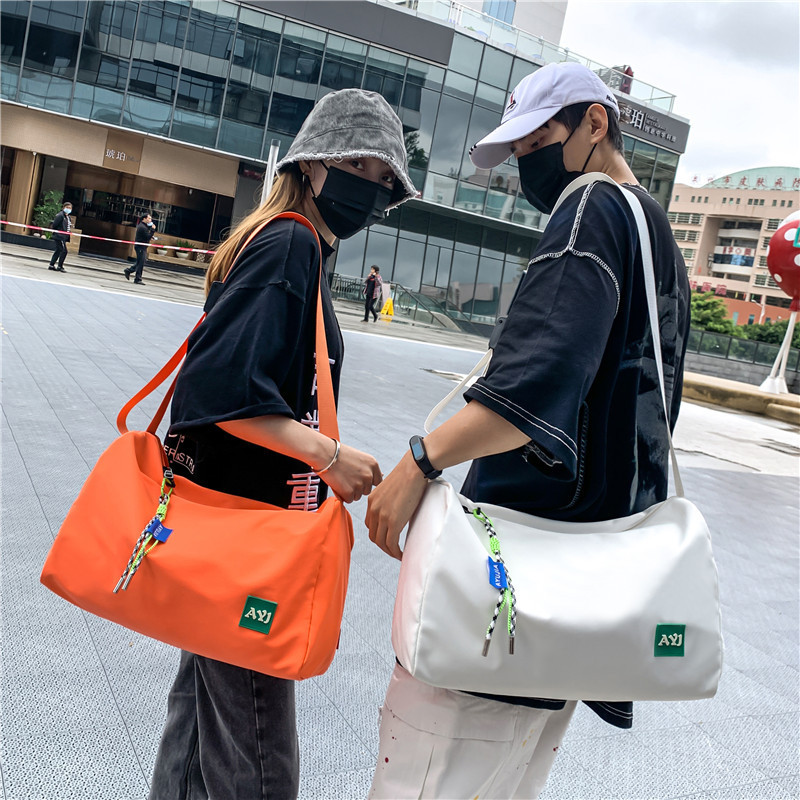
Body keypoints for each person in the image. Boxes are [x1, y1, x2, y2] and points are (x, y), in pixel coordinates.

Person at [366, 62, 691, 799]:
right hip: (582, 591)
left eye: (535, 142)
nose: (523, 164)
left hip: (510, 583)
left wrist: (420, 461)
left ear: (595, 123)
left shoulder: (590, 208)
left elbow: (533, 389)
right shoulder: (656, 236)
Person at [147, 88, 416, 800]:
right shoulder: (291, 243)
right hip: (248, 549)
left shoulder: (283, 242)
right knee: (261, 764)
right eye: (358, 165)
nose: (370, 186)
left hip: (225, 533)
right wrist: (328, 456)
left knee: (196, 735)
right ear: (314, 162)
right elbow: (221, 394)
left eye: (383, 177)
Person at [124, 213, 156, 284]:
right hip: (140, 247)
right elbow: (147, 236)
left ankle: (129, 270)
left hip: (142, 247)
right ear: (144, 219)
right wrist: (152, 230)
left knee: (140, 261)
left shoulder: (144, 226)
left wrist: (150, 235)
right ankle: (137, 279)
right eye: (149, 218)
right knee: (141, 263)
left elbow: (146, 236)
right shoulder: (142, 227)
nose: (150, 220)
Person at [48, 201, 72, 272]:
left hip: (64, 236)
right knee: (64, 251)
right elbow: (55, 225)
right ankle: (60, 266)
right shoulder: (60, 215)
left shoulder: (68, 217)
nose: (68, 209)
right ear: (63, 208)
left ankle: (51, 265)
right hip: (59, 236)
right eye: (67, 207)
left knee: (58, 250)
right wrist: (58, 232)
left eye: (70, 208)